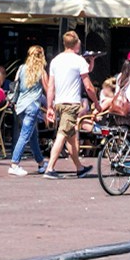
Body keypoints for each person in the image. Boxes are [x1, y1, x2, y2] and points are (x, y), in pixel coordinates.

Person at [43, 33, 98, 179]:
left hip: (59, 103)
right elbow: (89, 87)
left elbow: (50, 86)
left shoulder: (55, 60)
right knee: (62, 135)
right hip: (71, 103)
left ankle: (80, 168)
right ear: (77, 44)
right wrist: (96, 103)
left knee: (71, 137)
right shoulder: (78, 60)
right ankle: (50, 168)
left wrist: (49, 106)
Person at [8, 46, 48, 176]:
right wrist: (51, 106)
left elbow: (15, 86)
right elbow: (48, 89)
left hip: (20, 106)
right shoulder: (41, 71)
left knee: (32, 136)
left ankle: (41, 163)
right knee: (25, 135)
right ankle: (14, 164)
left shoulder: (21, 68)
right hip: (32, 106)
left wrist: (14, 102)